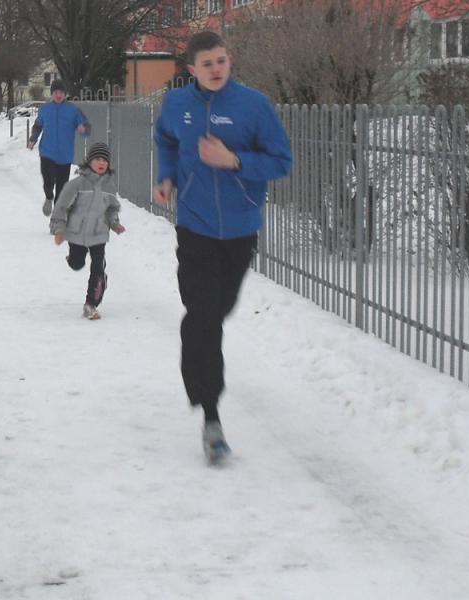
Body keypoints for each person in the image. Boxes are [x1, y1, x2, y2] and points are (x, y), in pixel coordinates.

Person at [153, 31, 292, 464]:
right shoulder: (177, 104)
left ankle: (204, 383)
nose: (216, 69)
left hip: (239, 227)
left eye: (222, 60)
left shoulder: (253, 106)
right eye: (207, 63)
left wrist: (233, 161)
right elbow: (166, 140)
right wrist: (167, 177)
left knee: (217, 310)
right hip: (194, 224)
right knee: (203, 315)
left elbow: (281, 161)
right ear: (191, 69)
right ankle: (211, 414)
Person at [50, 142, 126, 320]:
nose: (101, 163)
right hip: (76, 233)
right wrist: (59, 230)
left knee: (97, 268)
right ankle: (73, 259)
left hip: (99, 234)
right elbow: (61, 207)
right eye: (97, 159)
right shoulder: (77, 184)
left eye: (105, 160)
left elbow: (112, 208)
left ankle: (91, 304)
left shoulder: (109, 187)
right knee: (77, 264)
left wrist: (114, 223)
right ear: (89, 161)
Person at [29, 80, 91, 217]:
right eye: (56, 92)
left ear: (65, 94)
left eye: (61, 92)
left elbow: (86, 126)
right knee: (48, 181)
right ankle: (48, 197)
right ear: (51, 94)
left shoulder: (73, 110)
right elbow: (38, 125)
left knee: (62, 190)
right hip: (47, 152)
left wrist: (83, 129)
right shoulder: (45, 109)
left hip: (65, 155)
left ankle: (57, 218)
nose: (58, 95)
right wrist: (33, 139)